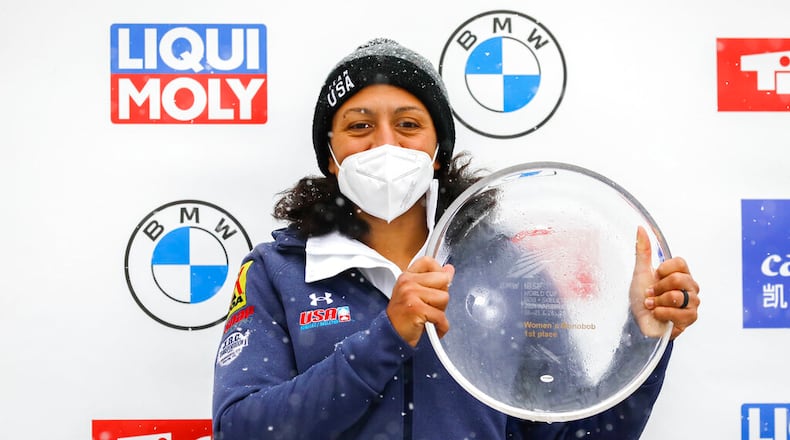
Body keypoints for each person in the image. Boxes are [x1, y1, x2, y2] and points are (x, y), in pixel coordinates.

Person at [212, 38, 700, 440]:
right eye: (360, 126)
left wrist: (644, 341)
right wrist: (387, 337)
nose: (385, 143)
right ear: (330, 155)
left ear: (438, 151)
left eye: (408, 125)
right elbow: (239, 429)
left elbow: (572, 435)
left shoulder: (508, 268)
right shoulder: (277, 272)